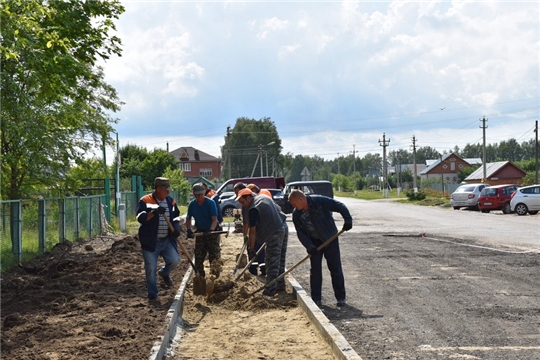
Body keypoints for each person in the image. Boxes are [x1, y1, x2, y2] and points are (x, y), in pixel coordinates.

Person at [288, 189, 353, 307]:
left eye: (294, 203)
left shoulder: (319, 201)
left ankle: (341, 298)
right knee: (315, 270)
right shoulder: (296, 214)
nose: (293, 206)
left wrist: (347, 219)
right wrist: (309, 246)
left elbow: (339, 206)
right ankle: (316, 299)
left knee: (335, 268)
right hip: (314, 243)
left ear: (301, 199)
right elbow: (300, 233)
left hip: (330, 238)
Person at [236, 188, 288, 296]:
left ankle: (270, 289)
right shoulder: (263, 197)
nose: (243, 205)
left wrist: (251, 249)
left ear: (249, 197)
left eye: (243, 202)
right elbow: (279, 209)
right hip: (282, 226)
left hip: (274, 232)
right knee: (280, 259)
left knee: (271, 261)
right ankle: (280, 285)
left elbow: (252, 231)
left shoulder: (253, 208)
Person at [136, 177, 181, 300]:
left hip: (166, 240)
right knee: (150, 269)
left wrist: (176, 228)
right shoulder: (145, 200)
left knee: (175, 260)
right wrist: (153, 213)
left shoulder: (171, 201)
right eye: (166, 190)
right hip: (151, 241)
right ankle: (152, 294)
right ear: (158, 189)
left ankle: (164, 273)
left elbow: (176, 217)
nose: (168, 192)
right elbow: (140, 218)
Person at [186, 183, 221, 278]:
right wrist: (188, 230)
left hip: (212, 232)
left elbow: (214, 220)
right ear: (194, 194)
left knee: (214, 257)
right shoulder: (192, 205)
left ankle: (215, 278)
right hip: (200, 232)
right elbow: (188, 218)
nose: (200, 197)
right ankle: (200, 277)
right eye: (197, 195)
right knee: (198, 257)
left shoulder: (210, 203)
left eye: (201, 194)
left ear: (204, 193)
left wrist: (210, 230)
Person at [234, 183, 266, 276]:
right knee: (259, 249)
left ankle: (254, 270)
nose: (236, 195)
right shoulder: (252, 198)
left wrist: (245, 236)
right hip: (259, 228)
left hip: (256, 229)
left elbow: (246, 222)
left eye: (236, 192)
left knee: (254, 249)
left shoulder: (247, 203)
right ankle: (261, 269)